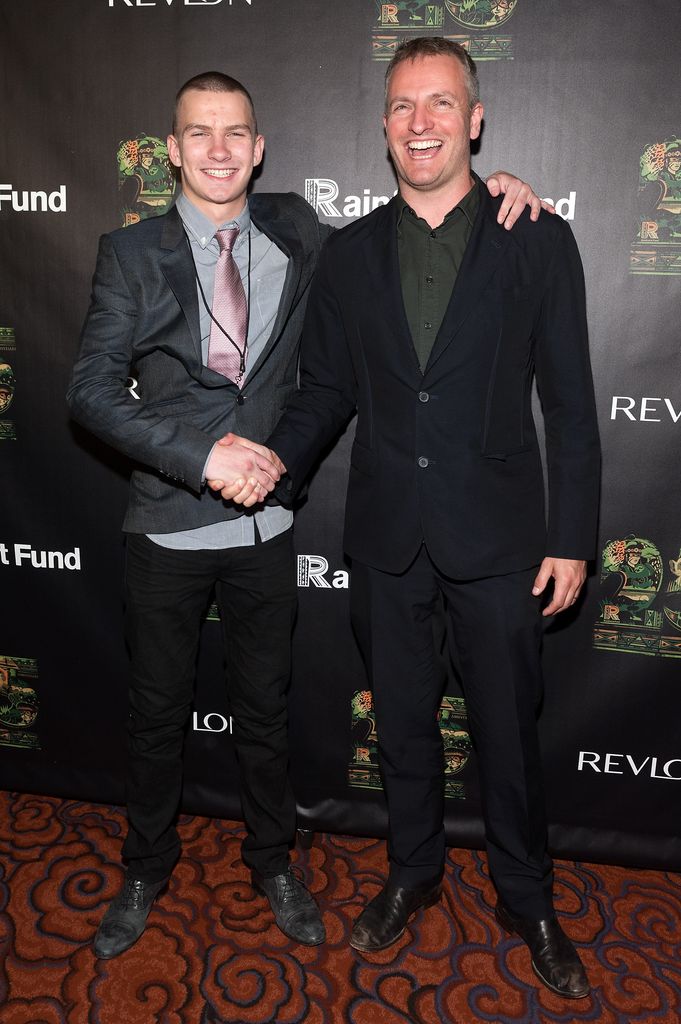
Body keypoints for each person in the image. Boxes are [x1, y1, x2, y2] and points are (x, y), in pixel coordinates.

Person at [67, 68, 549, 960]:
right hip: (169, 525)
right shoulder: (128, 252)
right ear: (170, 150)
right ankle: (144, 866)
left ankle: (272, 859)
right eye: (198, 134)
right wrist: (199, 455)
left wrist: (502, 189)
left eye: (235, 133)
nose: (218, 149)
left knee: (265, 711)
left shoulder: (302, 232)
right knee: (154, 713)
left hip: (268, 530)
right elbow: (90, 392)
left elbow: (419, 228)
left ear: (258, 148)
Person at [261, 39, 601, 998]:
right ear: (382, 126)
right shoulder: (350, 252)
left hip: (499, 543)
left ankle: (525, 897)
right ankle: (412, 873)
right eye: (405, 106)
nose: (422, 123)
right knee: (402, 728)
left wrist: (571, 535)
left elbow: (571, 406)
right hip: (386, 539)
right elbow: (324, 391)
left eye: (441, 104)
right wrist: (274, 460)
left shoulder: (532, 236)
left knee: (507, 730)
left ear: (475, 119)